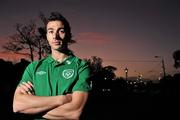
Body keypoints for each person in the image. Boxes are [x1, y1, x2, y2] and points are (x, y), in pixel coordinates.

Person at [13, 12, 91, 120]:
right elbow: (17, 105)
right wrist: (62, 99)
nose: (55, 36)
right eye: (51, 31)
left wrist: (32, 108)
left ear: (68, 35)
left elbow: (74, 112)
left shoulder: (81, 67)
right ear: (47, 36)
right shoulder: (33, 68)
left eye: (61, 31)